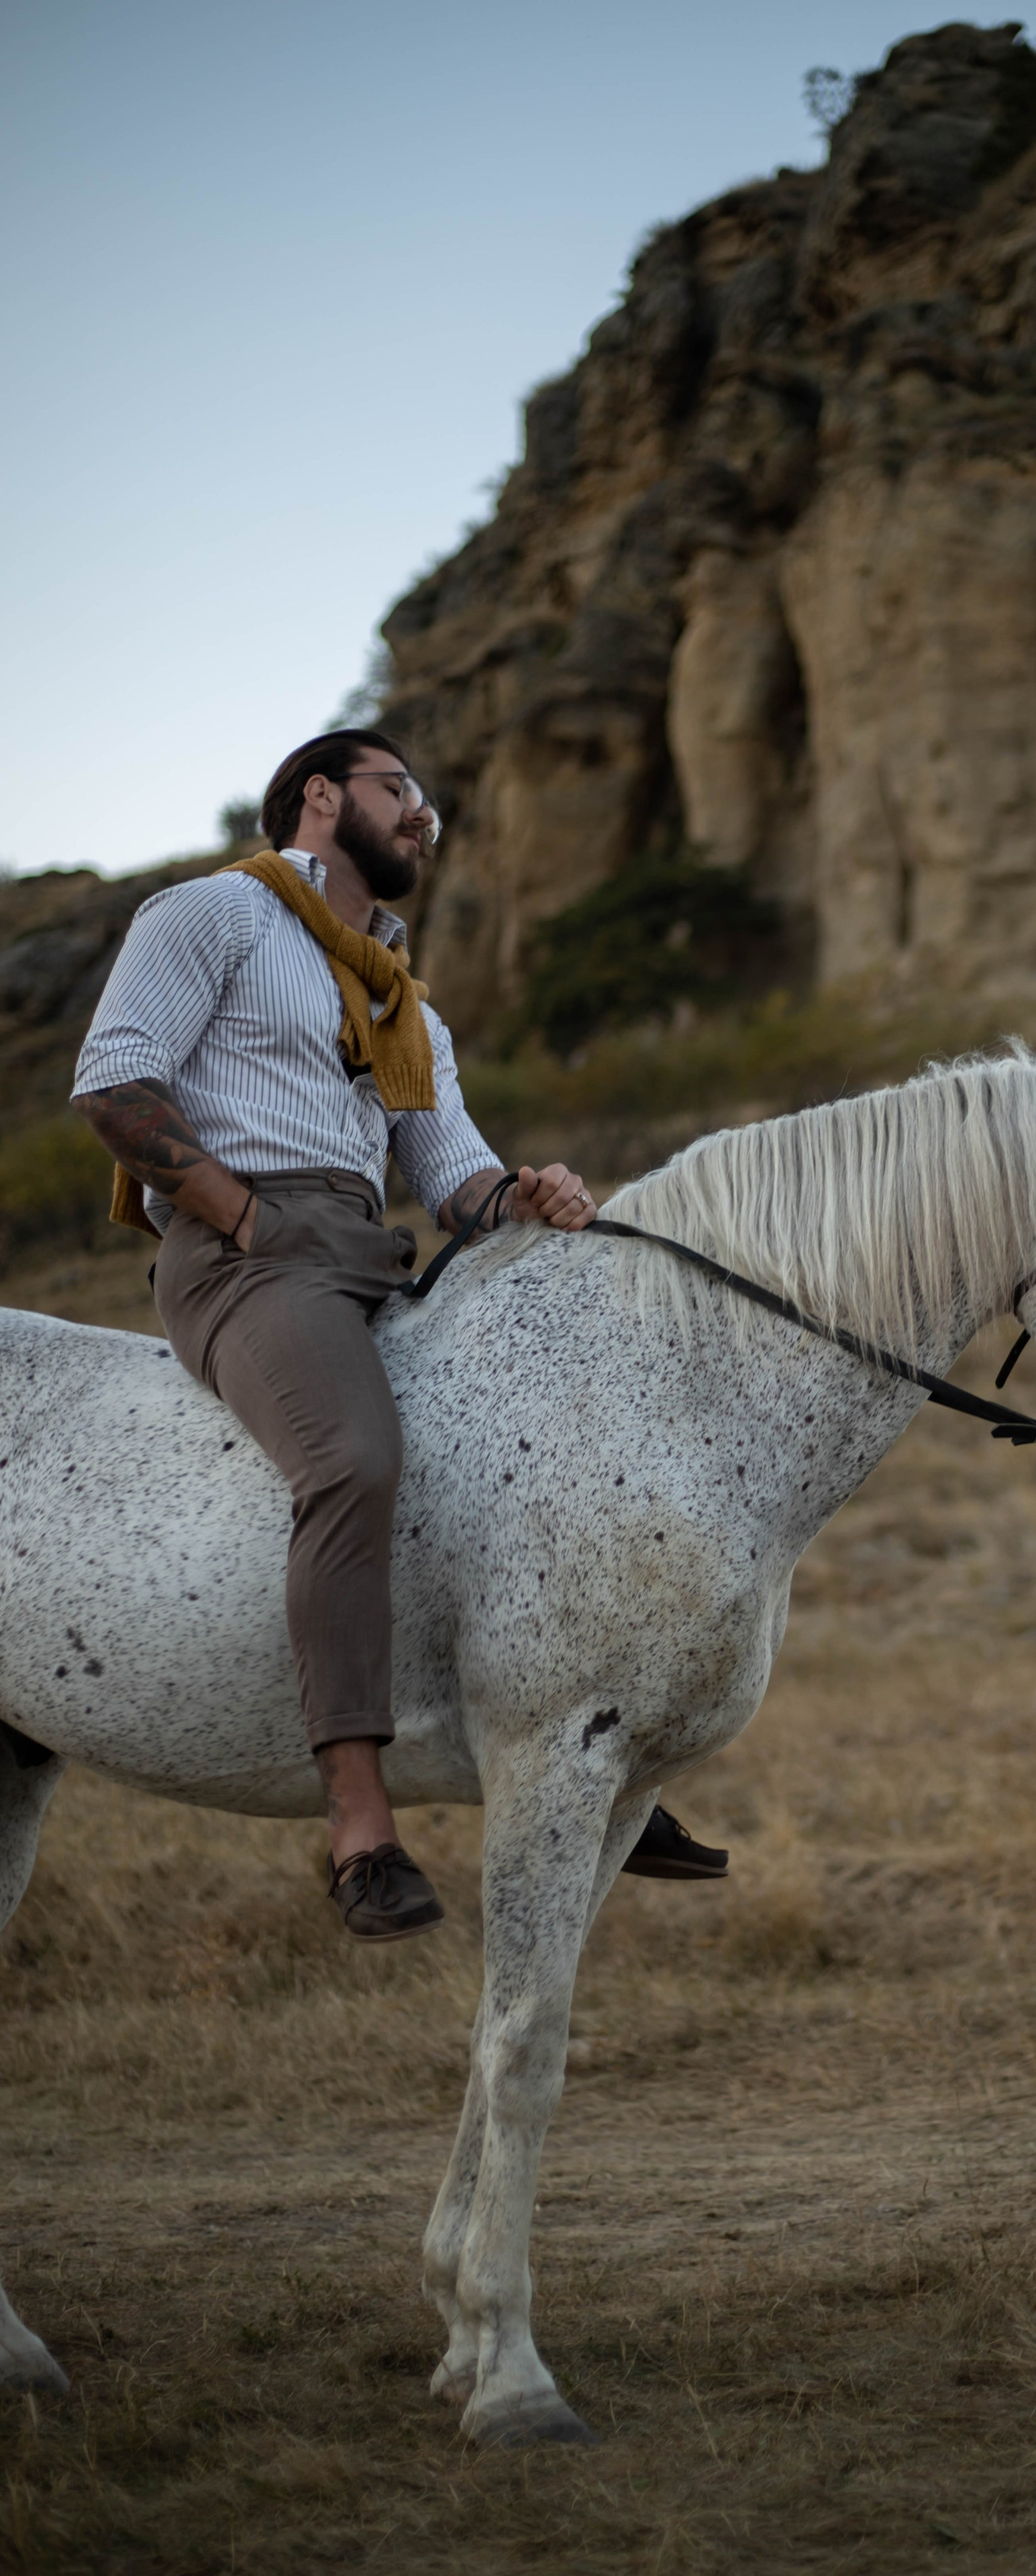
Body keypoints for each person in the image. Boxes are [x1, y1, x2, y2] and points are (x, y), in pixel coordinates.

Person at [72, 728, 727, 1939]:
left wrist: (533, 1198)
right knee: (354, 1460)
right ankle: (360, 1830)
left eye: (425, 800)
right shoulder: (213, 915)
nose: (426, 815)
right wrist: (245, 1215)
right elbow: (115, 1084)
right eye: (399, 792)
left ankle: (613, 1766)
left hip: (376, 1254)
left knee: (572, 1424)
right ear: (322, 799)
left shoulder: (403, 1004)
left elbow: (455, 1180)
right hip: (244, 1255)